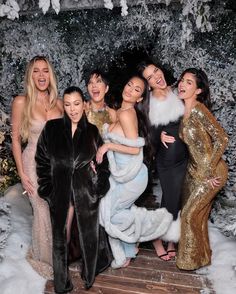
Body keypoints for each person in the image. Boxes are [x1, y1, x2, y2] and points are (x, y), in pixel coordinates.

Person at [98, 74, 180, 269]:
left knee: (111, 214)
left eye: (136, 89)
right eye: (129, 84)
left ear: (140, 98)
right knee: (115, 211)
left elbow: (135, 148)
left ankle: (149, 224)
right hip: (124, 175)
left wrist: (107, 147)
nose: (130, 90)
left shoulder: (127, 114)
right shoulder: (121, 111)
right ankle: (129, 250)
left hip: (133, 175)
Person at [35, 86, 112, 293]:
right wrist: (47, 189)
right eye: (67, 104)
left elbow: (104, 166)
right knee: (62, 236)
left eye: (76, 104)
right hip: (60, 193)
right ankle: (62, 281)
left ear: (84, 104)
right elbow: (41, 161)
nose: (72, 109)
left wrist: (97, 188)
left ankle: (88, 274)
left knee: (88, 235)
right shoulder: (51, 129)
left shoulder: (92, 132)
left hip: (85, 193)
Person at [11, 55, 63, 278]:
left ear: (50, 74)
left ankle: (60, 254)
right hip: (32, 161)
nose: (41, 75)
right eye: (36, 71)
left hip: (57, 164)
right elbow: (14, 138)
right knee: (41, 209)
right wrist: (22, 173)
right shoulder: (21, 102)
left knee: (56, 210)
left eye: (45, 70)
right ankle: (46, 260)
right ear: (30, 76)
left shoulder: (59, 102)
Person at [175, 68, 228, 270]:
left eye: (189, 82)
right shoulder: (183, 111)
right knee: (199, 217)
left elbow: (222, 139)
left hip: (212, 172)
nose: (182, 84)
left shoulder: (198, 109)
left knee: (189, 215)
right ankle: (202, 257)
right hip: (194, 171)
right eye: (182, 80)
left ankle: (188, 262)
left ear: (198, 90)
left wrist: (208, 170)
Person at [137, 60, 189, 261]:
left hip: (185, 157)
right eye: (150, 77)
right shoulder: (148, 104)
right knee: (171, 195)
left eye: (156, 71)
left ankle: (168, 239)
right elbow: (145, 134)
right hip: (166, 161)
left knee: (173, 198)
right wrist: (157, 136)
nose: (156, 76)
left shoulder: (178, 91)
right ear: (148, 83)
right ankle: (160, 238)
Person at [85, 69, 116, 133]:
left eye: (98, 81)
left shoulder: (112, 114)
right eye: (90, 82)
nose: (94, 86)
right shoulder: (82, 110)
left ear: (106, 88)